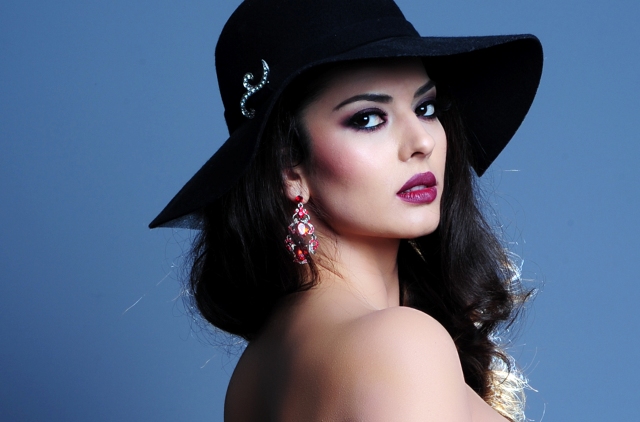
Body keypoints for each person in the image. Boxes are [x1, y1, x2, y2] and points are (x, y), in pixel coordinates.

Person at [149, 0, 543, 420]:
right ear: (289, 167)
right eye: (368, 119)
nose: (422, 142)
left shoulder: (254, 373)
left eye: (425, 108)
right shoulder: (402, 345)